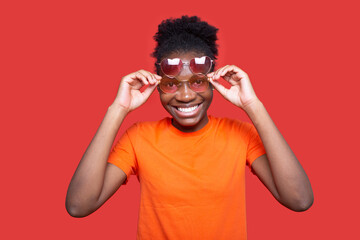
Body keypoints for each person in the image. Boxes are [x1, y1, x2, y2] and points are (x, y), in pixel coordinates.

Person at [66, 16, 314, 239]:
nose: (185, 96)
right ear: (157, 86)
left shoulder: (240, 134)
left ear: (213, 83)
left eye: (197, 82)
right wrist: (118, 109)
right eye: (172, 84)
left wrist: (253, 106)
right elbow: (78, 206)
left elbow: (300, 199)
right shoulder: (139, 137)